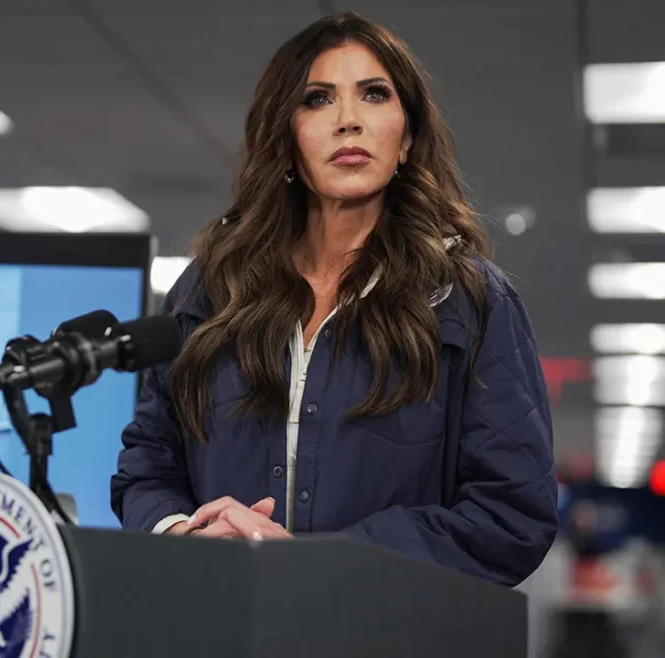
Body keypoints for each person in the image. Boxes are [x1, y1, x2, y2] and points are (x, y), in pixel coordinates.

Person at [110, 11, 558, 586]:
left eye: (374, 94)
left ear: (407, 139)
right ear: (287, 138)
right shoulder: (210, 290)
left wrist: (326, 564)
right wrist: (185, 535)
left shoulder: (470, 302)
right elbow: (147, 465)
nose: (349, 120)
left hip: (382, 626)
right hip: (222, 617)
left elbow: (511, 517)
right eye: (318, 99)